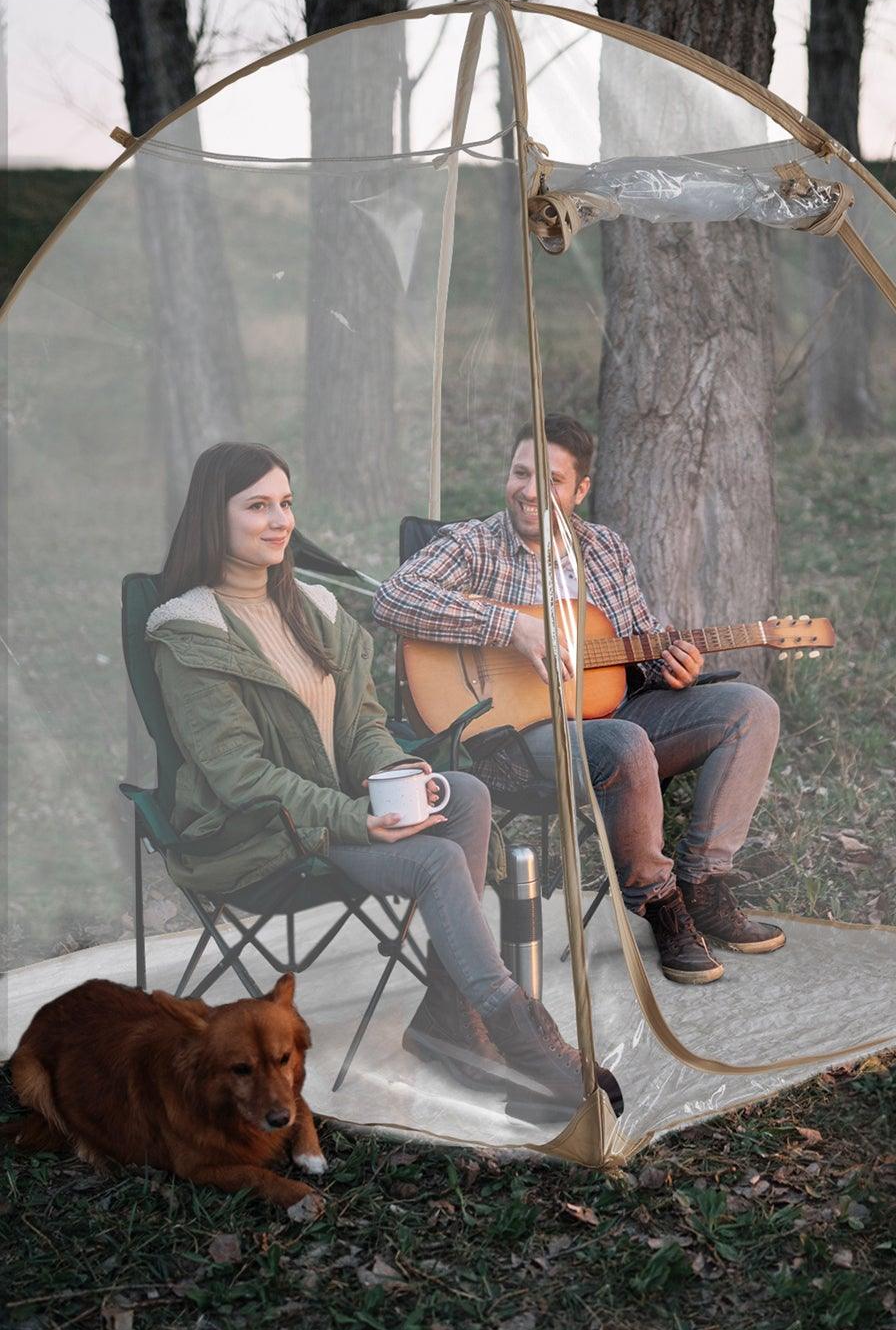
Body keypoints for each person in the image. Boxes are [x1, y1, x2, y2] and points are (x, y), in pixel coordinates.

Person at [148, 441, 621, 1118]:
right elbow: (241, 776)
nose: (280, 520)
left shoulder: (311, 610)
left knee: (466, 793)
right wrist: (356, 818)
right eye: (257, 506)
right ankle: (526, 1038)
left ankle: (449, 1014)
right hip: (261, 834)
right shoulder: (189, 635)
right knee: (431, 859)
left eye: (285, 503)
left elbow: (362, 726)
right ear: (212, 518)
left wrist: (397, 776)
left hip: (337, 810)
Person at [373, 414, 783, 986]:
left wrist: (675, 668)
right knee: (624, 740)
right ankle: (659, 903)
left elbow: (638, 646)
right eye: (520, 472)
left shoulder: (604, 548)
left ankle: (703, 883)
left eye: (551, 480)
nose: (530, 491)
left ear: (580, 489)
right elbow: (394, 597)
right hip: (512, 737)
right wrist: (509, 628)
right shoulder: (472, 545)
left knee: (751, 708)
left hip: (609, 713)